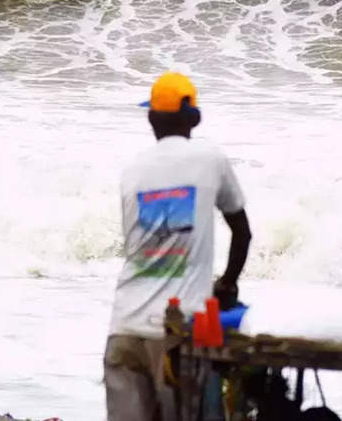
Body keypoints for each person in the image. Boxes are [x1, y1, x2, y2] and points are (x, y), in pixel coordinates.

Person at [105, 71, 252, 421]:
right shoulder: (210, 159)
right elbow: (242, 232)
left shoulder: (132, 171)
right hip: (176, 334)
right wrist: (227, 283)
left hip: (123, 327)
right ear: (193, 118)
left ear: (151, 118)